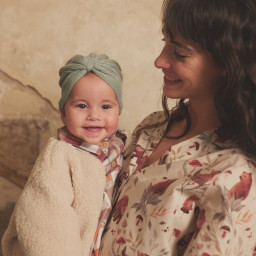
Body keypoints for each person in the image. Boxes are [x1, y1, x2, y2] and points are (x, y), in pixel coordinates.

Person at [99, 0, 256, 255]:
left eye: (180, 53)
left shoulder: (238, 179)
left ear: (228, 64)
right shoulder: (152, 126)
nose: (159, 61)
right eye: (165, 42)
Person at [1, 53, 126, 256]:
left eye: (106, 106)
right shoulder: (59, 157)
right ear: (63, 114)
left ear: (118, 111)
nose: (94, 115)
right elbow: (46, 224)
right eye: (81, 106)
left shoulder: (118, 149)